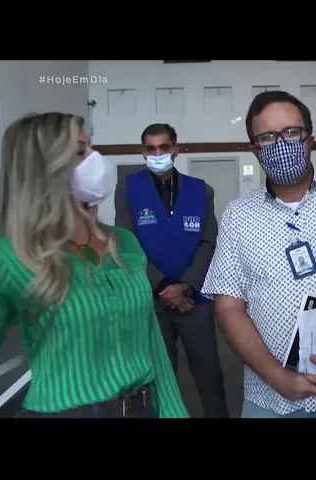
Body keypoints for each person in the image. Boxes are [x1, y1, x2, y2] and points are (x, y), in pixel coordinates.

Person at [0, 112, 188, 418]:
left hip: (142, 409)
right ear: (44, 169)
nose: (95, 159)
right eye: (79, 152)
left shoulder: (123, 243)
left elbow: (152, 343)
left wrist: (175, 413)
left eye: (91, 147)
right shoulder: (10, 257)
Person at [201, 90, 316, 418]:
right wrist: (277, 376)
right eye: (268, 137)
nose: (281, 144)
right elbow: (228, 307)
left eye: (291, 132)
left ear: (309, 139)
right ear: (255, 149)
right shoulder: (238, 216)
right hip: (270, 397)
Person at [114, 123, 228, 418]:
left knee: (210, 375)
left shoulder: (201, 190)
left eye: (164, 147)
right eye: (151, 149)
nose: (157, 154)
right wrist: (164, 287)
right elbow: (127, 244)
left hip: (194, 301)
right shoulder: (127, 188)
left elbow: (208, 242)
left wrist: (185, 287)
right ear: (142, 152)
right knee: (158, 380)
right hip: (153, 300)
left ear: (175, 149)